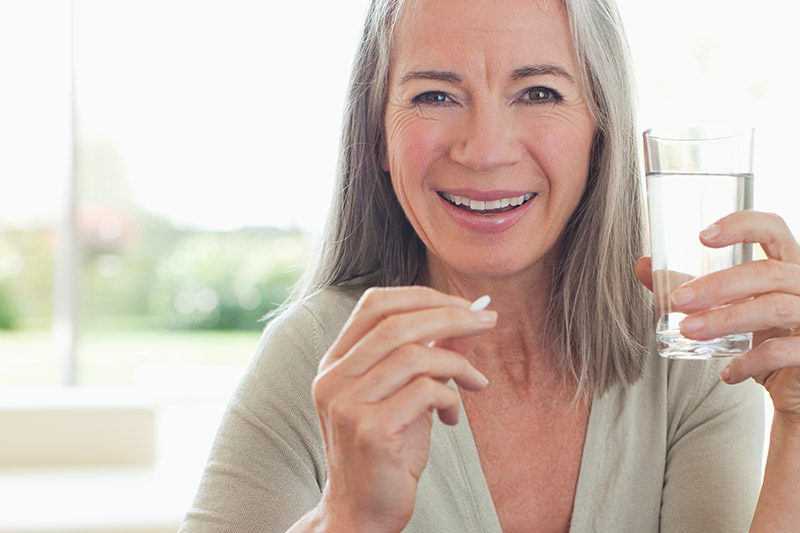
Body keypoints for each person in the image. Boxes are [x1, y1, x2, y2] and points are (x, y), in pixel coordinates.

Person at [180, 0, 800, 531]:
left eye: (538, 92)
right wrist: (345, 519)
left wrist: (797, 429)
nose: (484, 151)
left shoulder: (689, 353)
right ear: (378, 137)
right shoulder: (318, 355)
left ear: (600, 130)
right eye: (435, 95)